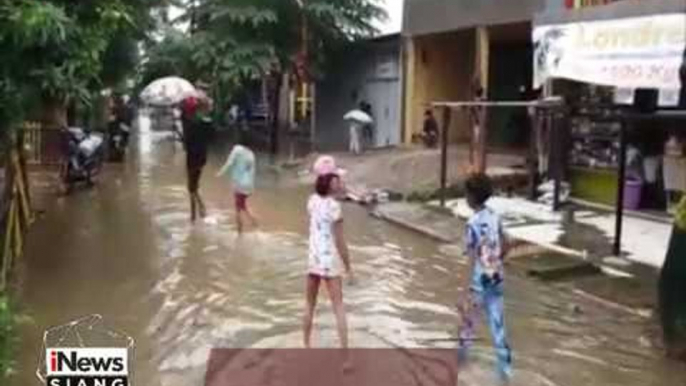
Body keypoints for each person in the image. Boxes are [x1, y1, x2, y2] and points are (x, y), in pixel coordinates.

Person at [457, 174, 512, 381]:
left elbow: (470, 261)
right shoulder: (495, 216)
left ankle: (459, 368)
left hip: (479, 283)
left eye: (466, 194)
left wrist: (463, 294)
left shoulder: (472, 224)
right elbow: (507, 242)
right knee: (498, 327)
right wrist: (498, 260)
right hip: (496, 278)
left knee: (467, 328)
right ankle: (505, 375)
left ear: (471, 197)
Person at [303, 172, 353, 353]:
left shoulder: (312, 201)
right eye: (337, 182)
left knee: (309, 304)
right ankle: (345, 355)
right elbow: (340, 242)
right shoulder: (335, 208)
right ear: (331, 186)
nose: (340, 184)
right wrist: (349, 268)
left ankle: (306, 346)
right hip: (329, 261)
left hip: (313, 259)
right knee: (339, 308)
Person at [181, 94, 213, 222]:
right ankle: (197, 211)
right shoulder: (205, 122)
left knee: (191, 186)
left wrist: (182, 138)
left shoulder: (189, 124)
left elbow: (187, 143)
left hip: (192, 157)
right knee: (193, 185)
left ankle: (195, 213)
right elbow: (211, 138)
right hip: (202, 157)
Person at [217, 135, 258, 234]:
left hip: (239, 184)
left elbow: (229, 163)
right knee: (242, 206)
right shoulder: (251, 155)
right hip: (248, 185)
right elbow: (252, 172)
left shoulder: (237, 149)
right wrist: (251, 188)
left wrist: (220, 172)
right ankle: (253, 225)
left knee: (238, 209)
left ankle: (242, 232)